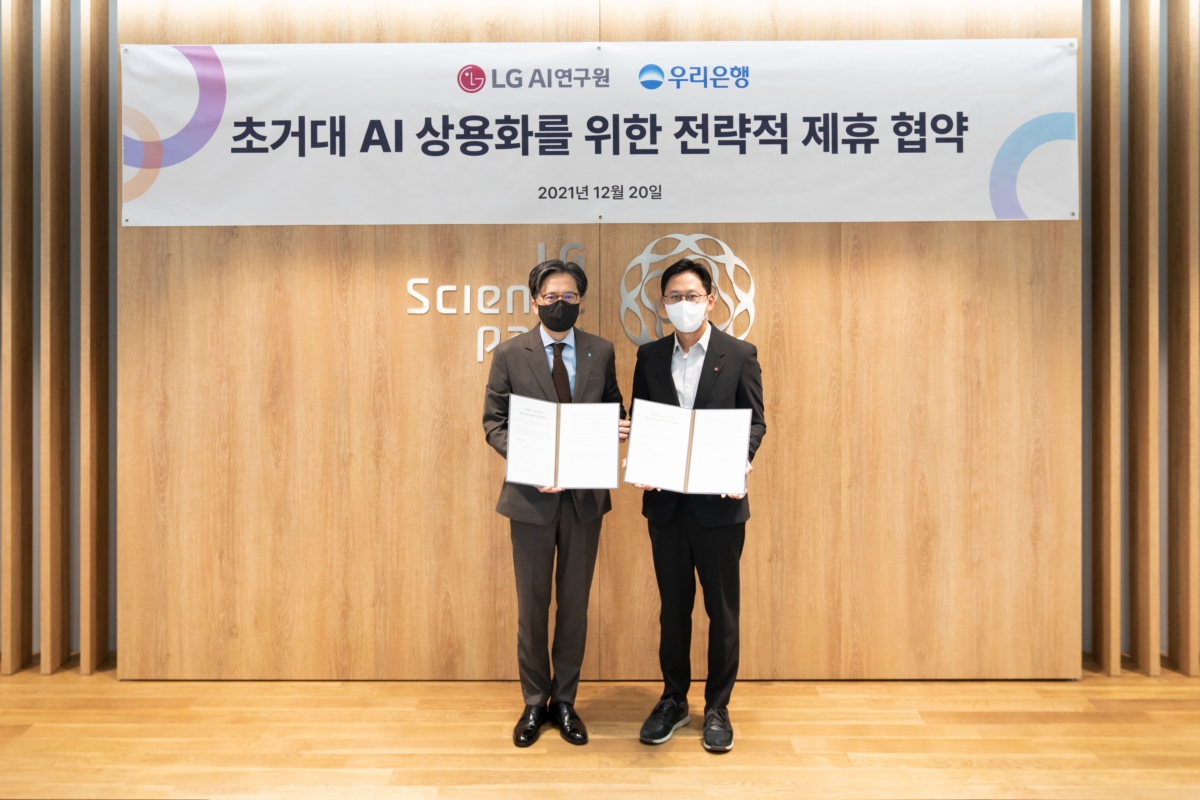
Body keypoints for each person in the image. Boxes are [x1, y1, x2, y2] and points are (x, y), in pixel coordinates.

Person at [482, 259, 630, 748]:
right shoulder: (510, 353)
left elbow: (613, 406)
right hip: (531, 500)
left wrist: (619, 427)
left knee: (574, 605)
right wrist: (532, 464)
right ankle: (533, 702)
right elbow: (494, 423)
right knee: (532, 606)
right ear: (535, 301)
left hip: (585, 499)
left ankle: (565, 701)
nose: (560, 304)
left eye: (569, 297)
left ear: (580, 301)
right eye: (551, 297)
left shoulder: (600, 350)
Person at [630, 258, 766, 753]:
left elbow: (754, 421)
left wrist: (741, 460)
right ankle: (673, 700)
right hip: (666, 505)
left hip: (719, 505)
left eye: (692, 296)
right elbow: (641, 418)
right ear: (661, 303)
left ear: (710, 301)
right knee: (673, 609)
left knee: (721, 611)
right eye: (674, 297)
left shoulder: (740, 354)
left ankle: (717, 707)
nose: (683, 304)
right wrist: (638, 455)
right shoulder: (649, 356)